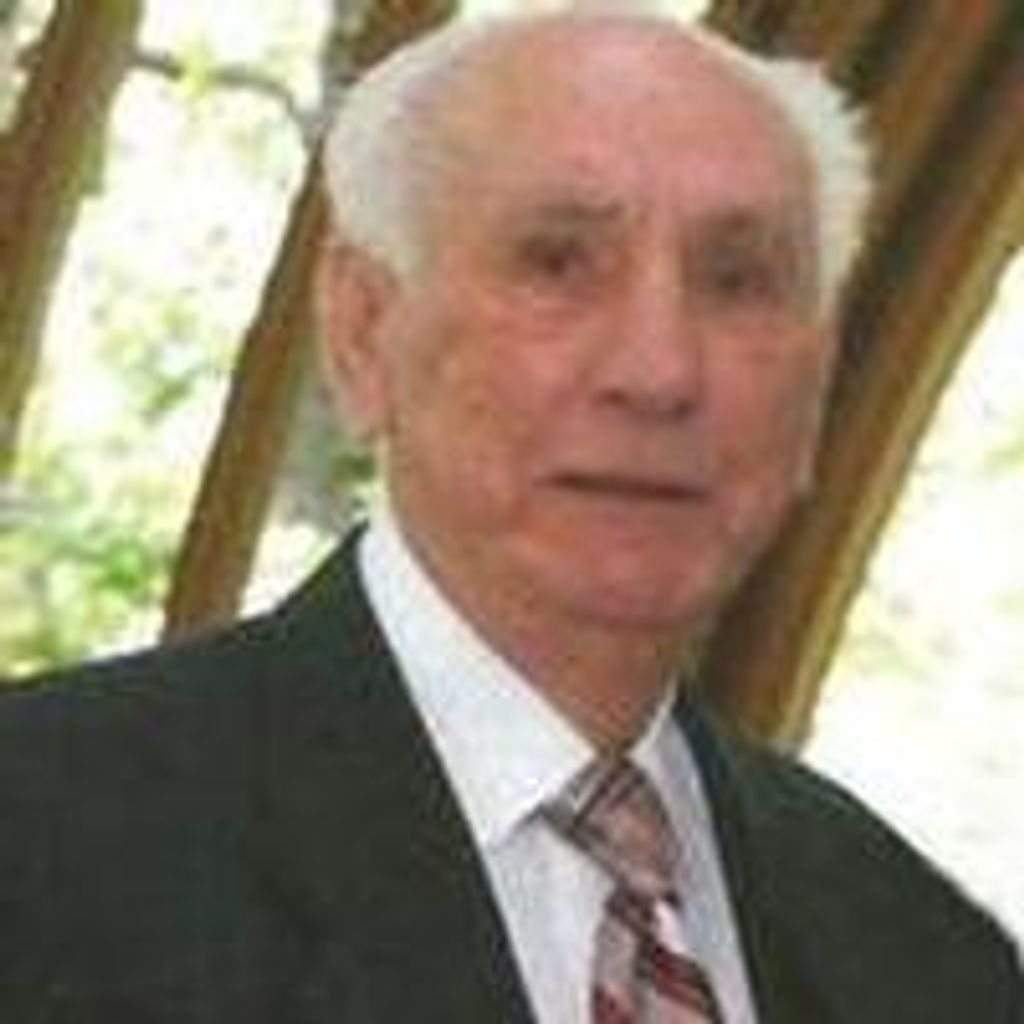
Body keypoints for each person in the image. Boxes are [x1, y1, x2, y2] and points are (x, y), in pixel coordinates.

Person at [1, 4, 1020, 1022]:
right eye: (557, 262)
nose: (658, 370)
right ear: (362, 330)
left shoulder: (925, 957)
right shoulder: (45, 846)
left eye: (737, 280)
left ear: (820, 372)